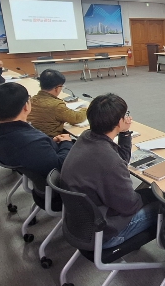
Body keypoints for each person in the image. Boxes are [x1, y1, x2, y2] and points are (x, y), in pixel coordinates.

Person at [61, 94, 159, 248]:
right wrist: (148, 197)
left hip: (80, 223)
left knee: (147, 194)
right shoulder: (108, 160)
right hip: (104, 233)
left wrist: (124, 133)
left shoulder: (86, 137)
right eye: (125, 115)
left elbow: (121, 160)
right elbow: (130, 206)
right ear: (119, 122)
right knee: (164, 207)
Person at [0, 82, 73, 179]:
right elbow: (60, 165)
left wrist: (49, 142)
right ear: (26, 106)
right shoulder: (32, 142)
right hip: (60, 180)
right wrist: (66, 143)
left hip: (34, 164)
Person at [28, 69, 87, 138]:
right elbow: (76, 118)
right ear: (57, 88)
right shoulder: (56, 105)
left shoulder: (31, 100)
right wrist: (85, 109)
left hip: (35, 137)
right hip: (52, 140)